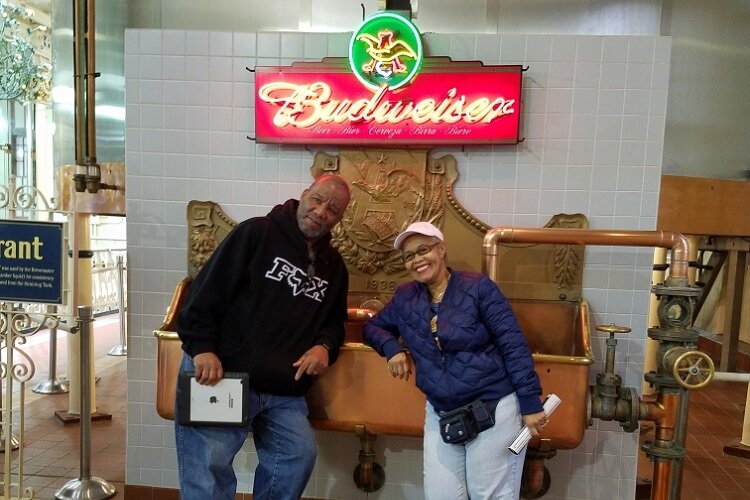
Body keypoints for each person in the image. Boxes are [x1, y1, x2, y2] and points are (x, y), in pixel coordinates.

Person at [174, 174, 351, 500]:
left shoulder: (334, 266)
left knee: (298, 455)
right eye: (318, 199)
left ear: (339, 219)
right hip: (224, 373)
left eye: (333, 209)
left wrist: (324, 346)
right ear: (304, 194)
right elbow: (203, 293)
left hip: (282, 389)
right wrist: (202, 348)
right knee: (208, 472)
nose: (321, 211)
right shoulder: (256, 233)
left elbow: (335, 321)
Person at [363, 221, 547, 500]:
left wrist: (530, 402)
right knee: (441, 495)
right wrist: (392, 348)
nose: (417, 260)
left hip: (493, 408)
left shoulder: (478, 288)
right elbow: (372, 327)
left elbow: (513, 344)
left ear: (441, 249)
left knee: (490, 495)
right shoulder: (405, 298)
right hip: (442, 412)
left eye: (423, 250)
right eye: (409, 256)